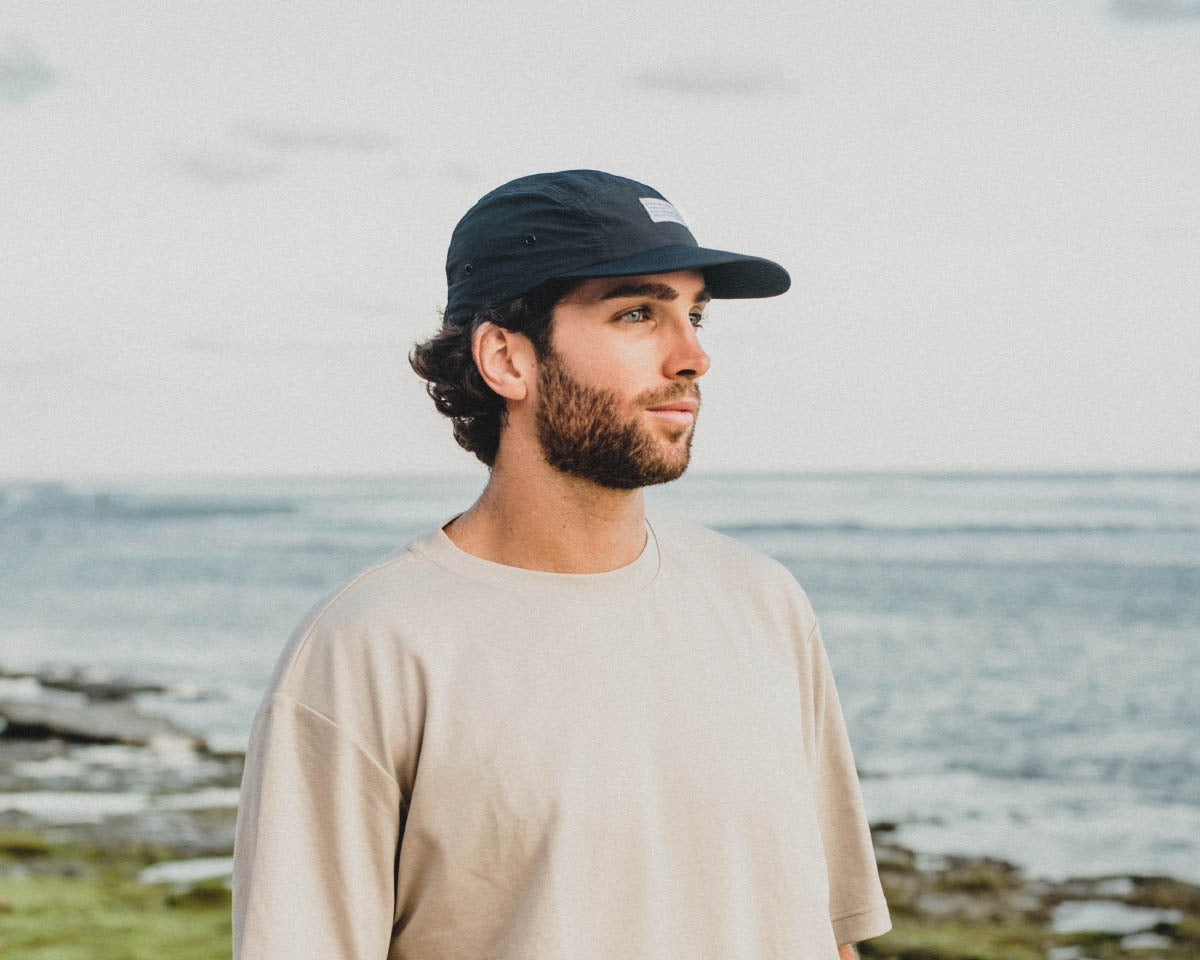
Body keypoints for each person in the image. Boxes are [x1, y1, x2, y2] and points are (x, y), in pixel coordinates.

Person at [232, 169, 891, 959]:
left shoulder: (764, 604)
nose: (694, 356)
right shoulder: (370, 649)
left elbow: (828, 936)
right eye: (638, 313)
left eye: (695, 315)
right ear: (507, 359)